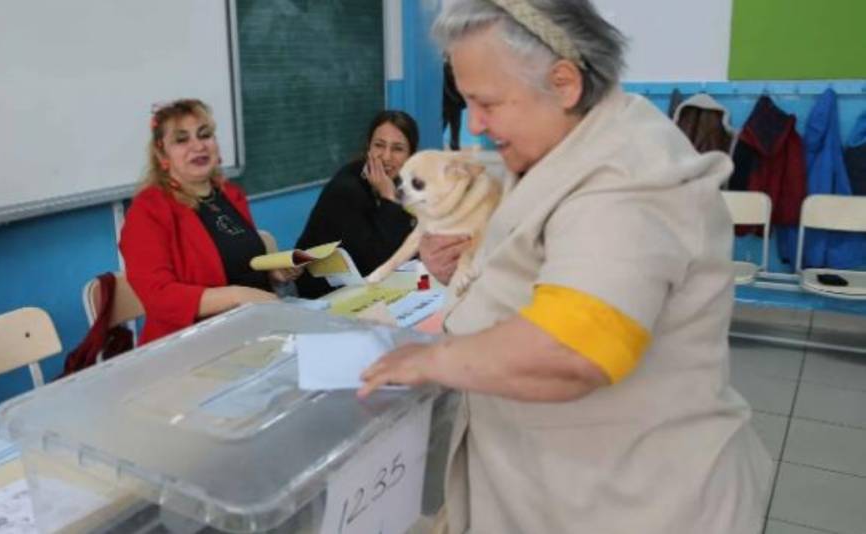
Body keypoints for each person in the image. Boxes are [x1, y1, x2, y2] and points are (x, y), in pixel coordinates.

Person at [358, 1, 773, 533]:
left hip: (632, 502)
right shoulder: (556, 146)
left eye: (486, 103)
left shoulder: (629, 178)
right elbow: (535, 265)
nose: (477, 125)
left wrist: (430, 360)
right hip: (544, 484)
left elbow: (570, 350)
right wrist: (463, 273)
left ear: (563, 83)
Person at [119, 99, 300, 345]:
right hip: (191, 345)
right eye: (182, 140)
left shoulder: (229, 194)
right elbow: (157, 296)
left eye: (205, 135)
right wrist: (237, 296)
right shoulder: (147, 211)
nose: (198, 146)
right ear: (162, 154)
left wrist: (274, 273)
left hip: (256, 330)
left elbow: (237, 262)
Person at [294, 111, 419, 298]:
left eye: (397, 149)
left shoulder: (405, 184)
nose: (386, 157)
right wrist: (388, 198)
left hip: (368, 289)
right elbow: (377, 262)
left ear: (410, 156)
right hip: (323, 296)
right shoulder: (347, 189)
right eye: (379, 145)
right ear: (368, 147)